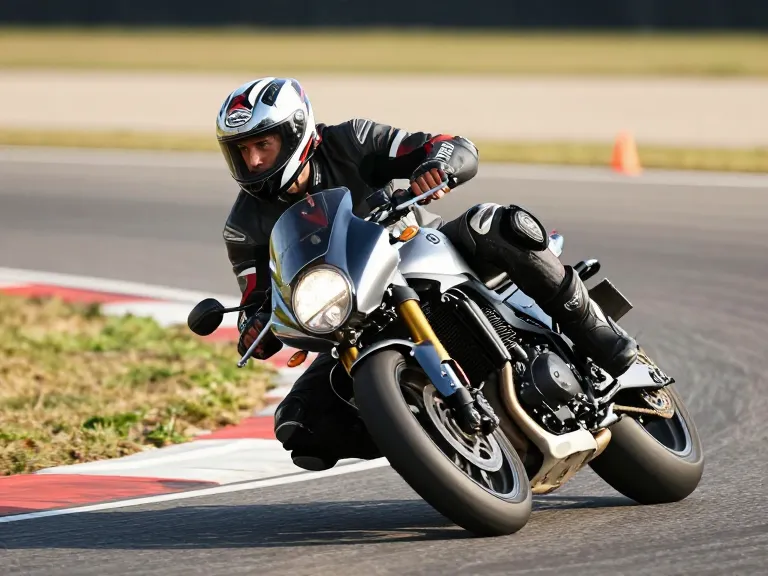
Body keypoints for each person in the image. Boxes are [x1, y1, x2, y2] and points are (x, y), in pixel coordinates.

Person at [216, 77, 638, 471]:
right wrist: (254, 326)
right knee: (300, 424)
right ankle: (431, 437)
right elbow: (257, 300)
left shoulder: (349, 140)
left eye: (262, 145)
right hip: (352, 313)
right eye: (241, 151)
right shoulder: (243, 225)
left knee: (498, 223)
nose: (252, 160)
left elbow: (447, 146)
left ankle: (594, 332)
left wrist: (438, 164)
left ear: (294, 133)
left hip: (418, 247)